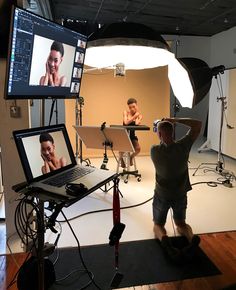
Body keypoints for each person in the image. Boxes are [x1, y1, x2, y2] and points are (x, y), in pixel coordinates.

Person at [151, 117, 202, 261]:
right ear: (173, 133)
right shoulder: (183, 147)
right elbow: (197, 124)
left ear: (160, 134)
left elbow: (162, 140)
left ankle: (166, 243)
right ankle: (192, 239)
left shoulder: (154, 151)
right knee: (181, 224)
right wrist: (175, 119)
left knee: (158, 225)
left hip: (162, 195)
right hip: (180, 194)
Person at [121, 98, 142, 167]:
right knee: (123, 150)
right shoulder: (125, 112)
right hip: (124, 135)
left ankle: (131, 157)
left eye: (134, 107)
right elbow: (126, 122)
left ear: (137, 106)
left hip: (132, 136)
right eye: (130, 107)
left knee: (138, 149)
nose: (132, 109)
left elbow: (137, 123)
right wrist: (135, 116)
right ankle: (121, 159)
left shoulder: (139, 115)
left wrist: (137, 116)